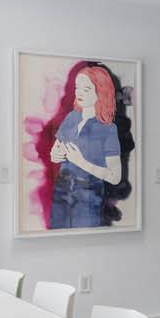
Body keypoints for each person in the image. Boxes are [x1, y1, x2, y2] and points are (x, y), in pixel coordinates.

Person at [48, 64, 123, 228]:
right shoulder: (71, 117)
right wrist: (56, 154)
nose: (80, 93)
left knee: (84, 238)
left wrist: (81, 162)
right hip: (62, 191)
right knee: (57, 236)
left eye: (86, 89)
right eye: (78, 88)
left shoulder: (108, 129)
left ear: (100, 92)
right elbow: (55, 151)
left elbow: (115, 176)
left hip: (88, 196)